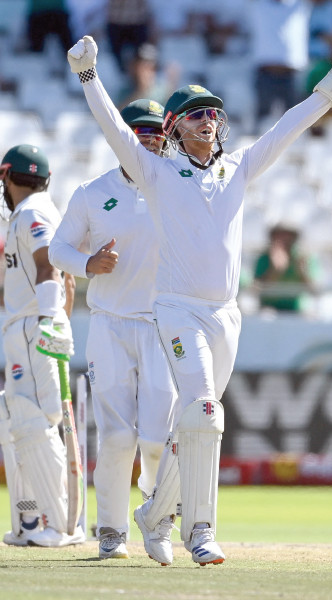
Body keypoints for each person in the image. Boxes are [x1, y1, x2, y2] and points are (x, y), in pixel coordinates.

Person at [66, 22, 332, 565]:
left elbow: (291, 125)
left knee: (200, 420)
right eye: (199, 113)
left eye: (214, 112)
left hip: (226, 316)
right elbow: (114, 127)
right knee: (203, 408)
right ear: (177, 127)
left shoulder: (236, 170)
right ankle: (199, 529)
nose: (211, 120)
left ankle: (155, 515)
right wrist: (88, 76)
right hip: (176, 310)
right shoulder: (156, 172)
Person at [48, 99, 178, 560]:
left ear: (165, 136)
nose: (146, 138)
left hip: (164, 325)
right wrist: (87, 263)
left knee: (159, 439)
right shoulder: (91, 192)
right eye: (137, 131)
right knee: (118, 436)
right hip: (109, 324)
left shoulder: (178, 187)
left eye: (154, 131)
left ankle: (156, 514)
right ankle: (111, 531)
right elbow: (57, 249)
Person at [0, 143, 81, 547]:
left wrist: (51, 320)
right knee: (18, 419)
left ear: (6, 176)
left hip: (35, 326)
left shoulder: (33, 211)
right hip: (26, 323)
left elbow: (48, 266)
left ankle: (59, 524)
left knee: (37, 421)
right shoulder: (29, 212)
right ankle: (31, 523)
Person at [253, 223, 317, 313]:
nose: (282, 238)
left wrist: (302, 271)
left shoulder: (304, 259)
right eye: (278, 234)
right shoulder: (264, 258)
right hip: (269, 309)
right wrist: (275, 271)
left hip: (297, 311)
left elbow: (314, 290)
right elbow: (256, 290)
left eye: (286, 234)